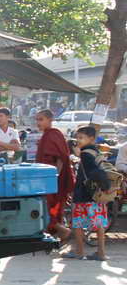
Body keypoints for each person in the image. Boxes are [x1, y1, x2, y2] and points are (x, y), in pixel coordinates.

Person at [61, 126, 110, 261]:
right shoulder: (96, 152)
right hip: (96, 195)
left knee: (78, 224)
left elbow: (92, 172)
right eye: (77, 137)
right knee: (99, 224)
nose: (78, 140)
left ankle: (80, 252)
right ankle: (101, 253)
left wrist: (79, 155)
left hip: (84, 194)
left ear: (91, 139)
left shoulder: (85, 154)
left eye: (81, 138)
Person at [35, 109, 74, 242]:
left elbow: (61, 158)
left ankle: (64, 231)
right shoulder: (46, 135)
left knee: (48, 207)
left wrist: (54, 177)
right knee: (49, 207)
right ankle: (53, 235)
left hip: (52, 179)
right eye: (37, 120)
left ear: (50, 120)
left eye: (41, 119)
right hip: (45, 178)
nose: (38, 123)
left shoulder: (54, 134)